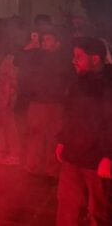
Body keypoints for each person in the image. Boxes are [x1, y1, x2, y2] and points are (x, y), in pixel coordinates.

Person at [55, 37, 112, 226]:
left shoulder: (108, 85)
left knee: (98, 211)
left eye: (78, 57)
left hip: (96, 162)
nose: (74, 61)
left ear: (95, 59)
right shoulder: (77, 82)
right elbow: (69, 113)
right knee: (66, 206)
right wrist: (62, 140)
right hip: (72, 157)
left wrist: (109, 157)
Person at [20, 30, 73, 177]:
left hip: (54, 104)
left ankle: (52, 170)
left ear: (58, 43)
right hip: (36, 102)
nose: (44, 42)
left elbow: (67, 81)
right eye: (43, 40)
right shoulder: (37, 56)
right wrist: (30, 47)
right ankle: (33, 167)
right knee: (34, 136)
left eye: (48, 39)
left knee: (53, 138)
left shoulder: (63, 60)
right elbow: (19, 62)